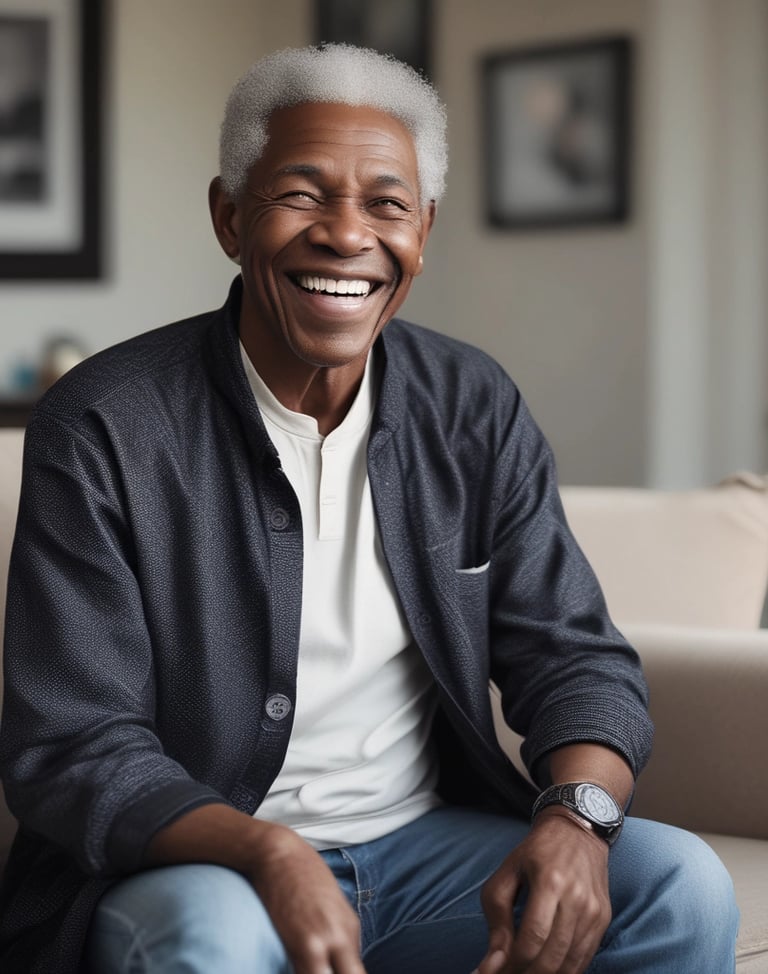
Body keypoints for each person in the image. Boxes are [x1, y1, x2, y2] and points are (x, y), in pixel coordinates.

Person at [0, 44, 737, 974]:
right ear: (230, 217)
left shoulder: (473, 404)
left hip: (428, 853)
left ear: (422, 232)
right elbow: (71, 743)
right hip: (204, 867)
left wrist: (580, 819)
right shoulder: (104, 423)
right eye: (301, 195)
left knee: (681, 885)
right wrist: (269, 853)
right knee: (211, 940)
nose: (346, 236)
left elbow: (573, 654)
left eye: (386, 205)